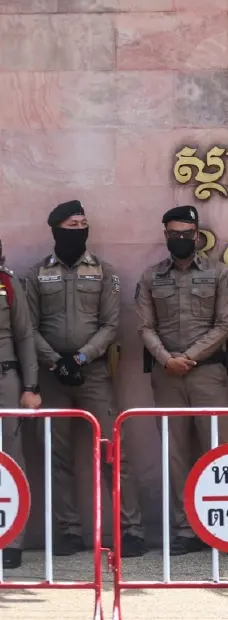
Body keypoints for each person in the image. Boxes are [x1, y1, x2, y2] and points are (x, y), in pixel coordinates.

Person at [24, 200, 145, 558]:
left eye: (83, 223)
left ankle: (131, 530)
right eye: (72, 224)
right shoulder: (35, 274)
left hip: (92, 373)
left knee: (112, 452)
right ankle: (68, 531)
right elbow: (27, 326)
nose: (79, 229)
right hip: (52, 375)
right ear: (56, 229)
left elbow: (110, 325)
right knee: (56, 455)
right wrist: (55, 361)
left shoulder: (104, 272)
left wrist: (79, 358)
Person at [135, 205, 228, 556]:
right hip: (167, 376)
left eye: (186, 233)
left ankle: (220, 526)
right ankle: (184, 529)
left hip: (207, 373)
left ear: (197, 235)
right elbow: (145, 326)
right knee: (175, 454)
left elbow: (224, 326)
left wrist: (189, 357)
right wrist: (167, 359)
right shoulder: (151, 277)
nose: (180, 239)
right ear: (165, 236)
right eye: (173, 233)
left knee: (216, 450)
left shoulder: (220, 273)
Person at [0, 242, 41, 570]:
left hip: (5, 378)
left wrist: (29, 387)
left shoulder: (8, 284)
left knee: (11, 458)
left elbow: (25, 336)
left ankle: (12, 540)